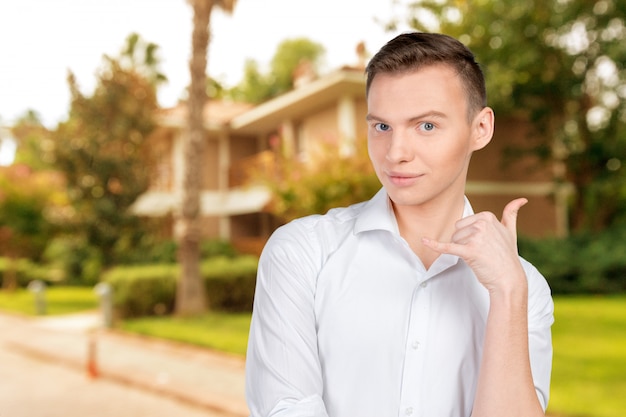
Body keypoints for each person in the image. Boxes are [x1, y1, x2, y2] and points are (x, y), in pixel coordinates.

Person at [245, 32, 554, 417]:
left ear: (481, 129)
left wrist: (508, 292)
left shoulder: (525, 288)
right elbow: (286, 408)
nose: (396, 153)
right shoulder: (302, 253)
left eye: (426, 126)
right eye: (382, 127)